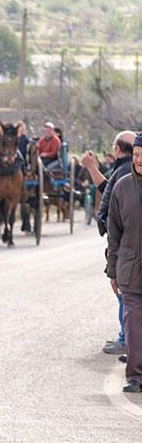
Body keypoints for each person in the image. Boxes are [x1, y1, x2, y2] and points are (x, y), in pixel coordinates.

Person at [83, 130, 136, 356]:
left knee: (125, 290)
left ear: (117, 149)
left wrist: (91, 168)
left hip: (127, 244)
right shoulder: (125, 169)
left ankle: (127, 339)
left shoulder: (125, 171)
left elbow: (109, 194)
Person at [104, 132, 142, 393]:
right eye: (137, 155)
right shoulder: (122, 187)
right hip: (130, 268)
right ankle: (136, 376)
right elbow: (113, 233)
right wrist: (113, 270)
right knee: (133, 322)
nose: (139, 160)